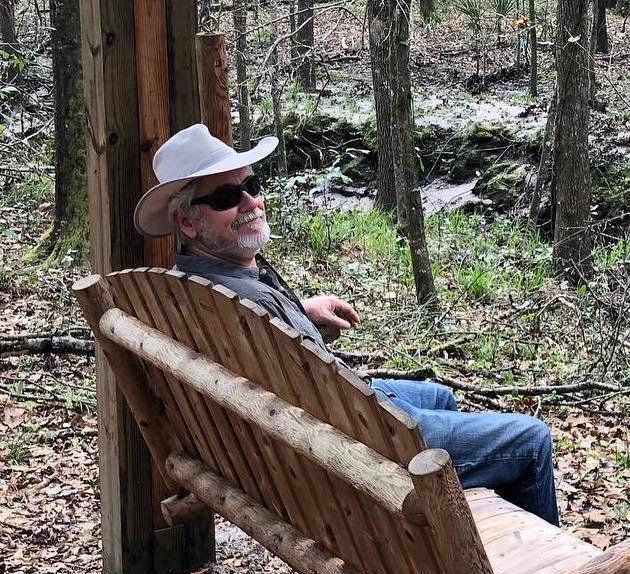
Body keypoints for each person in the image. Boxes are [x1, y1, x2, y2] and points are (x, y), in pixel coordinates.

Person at [134, 124, 560, 526]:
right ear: (188, 222)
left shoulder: (199, 287)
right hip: (352, 443)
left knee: (440, 395)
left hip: (323, 417)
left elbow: (264, 355)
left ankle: (464, 533)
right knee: (531, 441)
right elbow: (318, 403)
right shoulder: (246, 301)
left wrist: (300, 316)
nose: (250, 203)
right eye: (227, 197)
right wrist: (294, 325)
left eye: (252, 186)